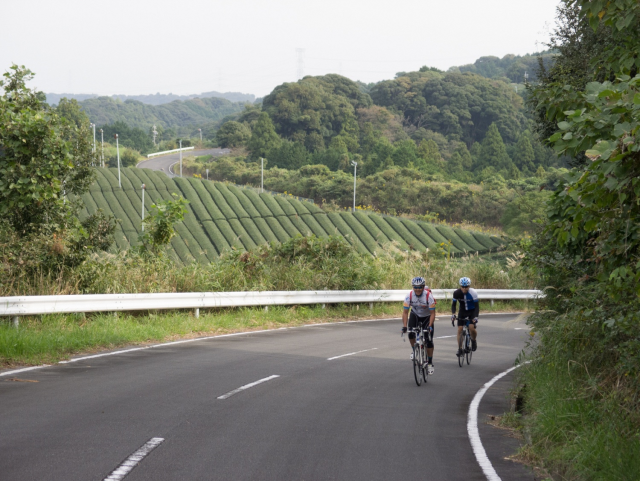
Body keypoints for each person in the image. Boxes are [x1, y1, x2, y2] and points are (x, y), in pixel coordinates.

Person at [401, 276, 436, 374]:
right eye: (415, 287)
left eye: (420, 287)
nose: (417, 289)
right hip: (415, 315)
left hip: (427, 317)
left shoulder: (428, 296)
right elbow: (405, 312)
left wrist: (430, 325)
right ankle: (414, 350)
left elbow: (433, 313)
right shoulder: (409, 295)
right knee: (411, 333)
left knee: (429, 341)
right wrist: (404, 326)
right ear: (413, 287)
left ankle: (429, 363)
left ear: (423, 287)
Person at [451, 276, 479, 357]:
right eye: (462, 287)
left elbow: (477, 306)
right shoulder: (456, 293)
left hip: (472, 311)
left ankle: (473, 340)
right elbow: (454, 305)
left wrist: (476, 317)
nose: (464, 289)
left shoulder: (473, 293)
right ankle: (460, 349)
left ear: (469, 286)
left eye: (466, 287)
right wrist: (453, 314)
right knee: (460, 329)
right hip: (462, 311)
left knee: (471, 328)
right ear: (460, 286)